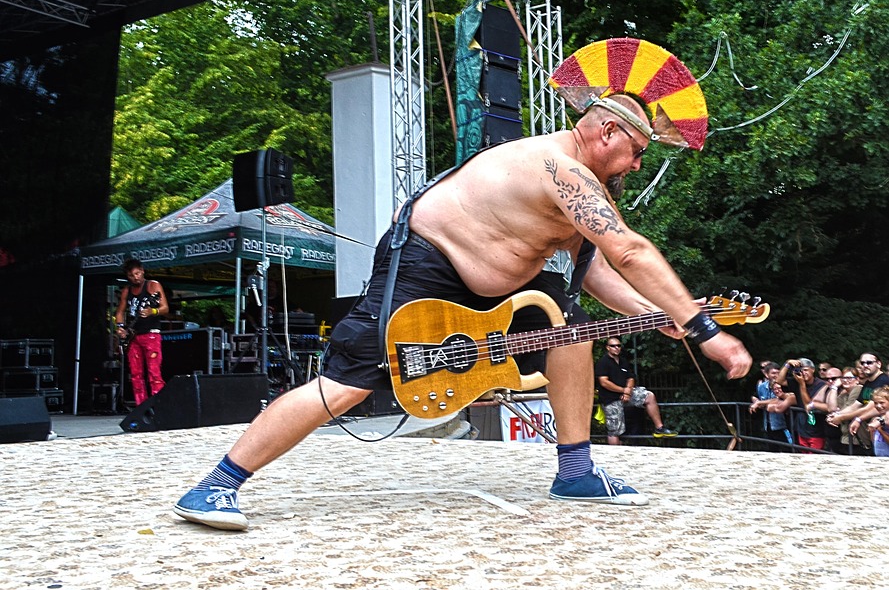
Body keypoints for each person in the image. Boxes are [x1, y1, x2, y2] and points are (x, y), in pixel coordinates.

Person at [173, 93, 751, 530]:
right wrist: (704, 331)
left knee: (571, 332)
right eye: (636, 152)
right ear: (606, 132)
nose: (635, 165)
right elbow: (630, 249)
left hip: (497, 288)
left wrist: (658, 313)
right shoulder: (561, 169)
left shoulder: (589, 185)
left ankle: (575, 472)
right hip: (427, 264)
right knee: (346, 386)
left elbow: (596, 268)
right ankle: (217, 484)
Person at [594, 337, 677, 444]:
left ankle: (659, 428)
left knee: (649, 396)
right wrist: (624, 390)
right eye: (613, 346)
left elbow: (631, 377)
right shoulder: (603, 362)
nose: (616, 348)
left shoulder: (623, 361)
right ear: (607, 348)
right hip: (611, 399)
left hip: (626, 393)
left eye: (618, 346)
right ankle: (614, 455)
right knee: (614, 430)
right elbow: (604, 382)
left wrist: (628, 390)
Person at [114, 258, 169, 406]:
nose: (136, 277)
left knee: (154, 372)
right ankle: (141, 407)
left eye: (138, 273)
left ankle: (159, 406)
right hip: (134, 336)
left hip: (151, 334)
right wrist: (120, 327)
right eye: (132, 275)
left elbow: (165, 308)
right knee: (136, 374)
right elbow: (119, 312)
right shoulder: (127, 290)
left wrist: (153, 310)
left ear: (143, 271)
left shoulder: (153, 285)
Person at [831, 353, 889, 452]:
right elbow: (856, 404)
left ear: (879, 364)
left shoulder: (883, 381)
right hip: (871, 432)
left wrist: (842, 418)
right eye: (862, 363)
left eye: (869, 362)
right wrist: (836, 415)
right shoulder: (868, 382)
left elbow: (871, 407)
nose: (865, 365)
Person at [777, 358, 830, 452]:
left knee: (815, 458)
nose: (803, 373)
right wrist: (787, 364)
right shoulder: (797, 381)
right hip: (801, 428)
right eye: (800, 370)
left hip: (817, 429)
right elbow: (780, 381)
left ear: (813, 370)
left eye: (805, 370)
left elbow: (808, 404)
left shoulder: (821, 385)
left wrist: (802, 385)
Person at [749, 362, 793, 449]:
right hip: (768, 424)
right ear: (766, 374)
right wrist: (756, 401)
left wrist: (760, 403)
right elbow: (757, 397)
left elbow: (777, 400)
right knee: (772, 449)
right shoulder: (761, 386)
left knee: (787, 450)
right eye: (773, 373)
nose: (776, 375)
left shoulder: (783, 385)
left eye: (778, 373)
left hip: (783, 424)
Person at [826, 367, 869, 455]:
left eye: (849, 378)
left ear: (857, 379)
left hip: (858, 438)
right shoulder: (844, 394)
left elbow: (849, 408)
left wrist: (833, 416)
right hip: (847, 438)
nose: (845, 380)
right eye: (843, 378)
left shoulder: (858, 389)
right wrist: (834, 387)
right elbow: (831, 408)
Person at [866, 386, 889, 457]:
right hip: (879, 456)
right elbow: (874, 442)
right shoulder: (877, 418)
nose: (878, 405)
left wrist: (880, 430)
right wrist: (872, 431)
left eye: (882, 403)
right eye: (876, 403)